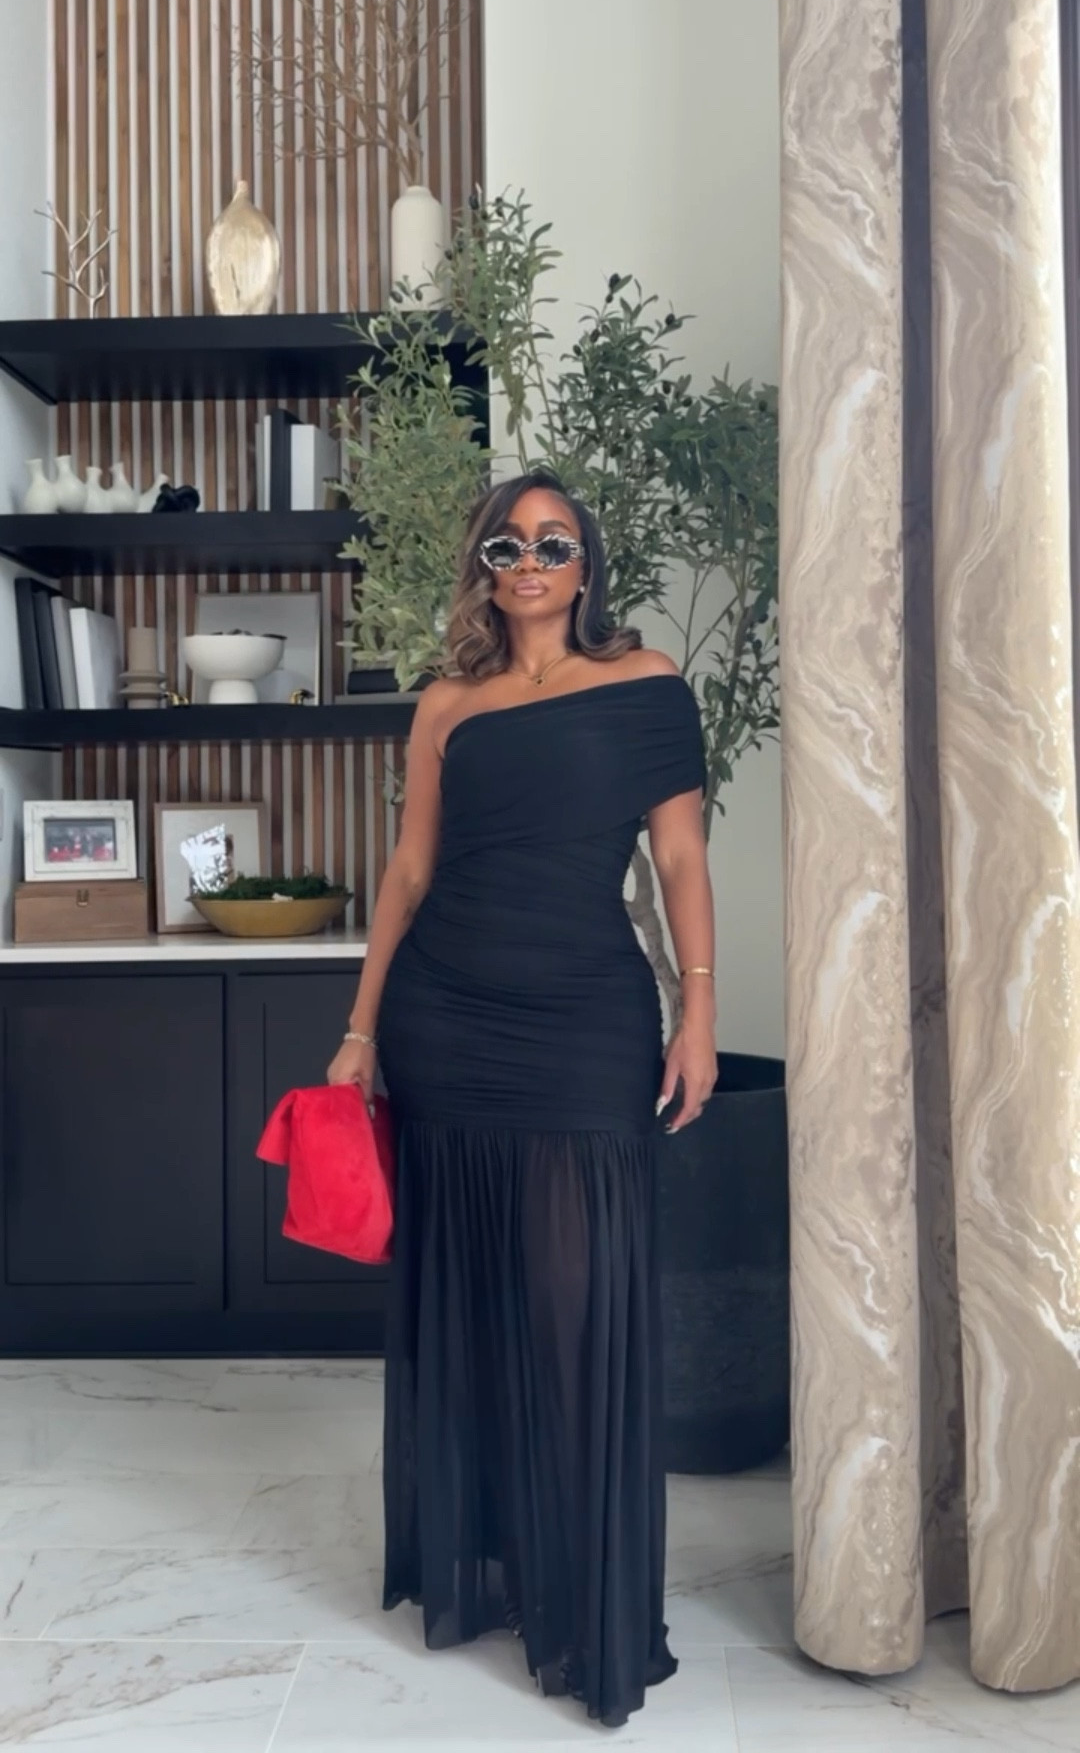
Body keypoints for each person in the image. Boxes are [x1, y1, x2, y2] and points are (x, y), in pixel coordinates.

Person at [328, 468, 716, 1729]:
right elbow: (409, 869)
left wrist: (699, 1010)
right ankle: (496, 1568)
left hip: (584, 1021)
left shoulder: (648, 682)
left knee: (572, 1301)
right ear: (485, 569)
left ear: (586, 563)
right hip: (446, 1015)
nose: (532, 560)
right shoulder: (448, 704)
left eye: (554, 541)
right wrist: (361, 1029)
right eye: (508, 544)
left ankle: (587, 1597)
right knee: (478, 1293)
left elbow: (678, 856)